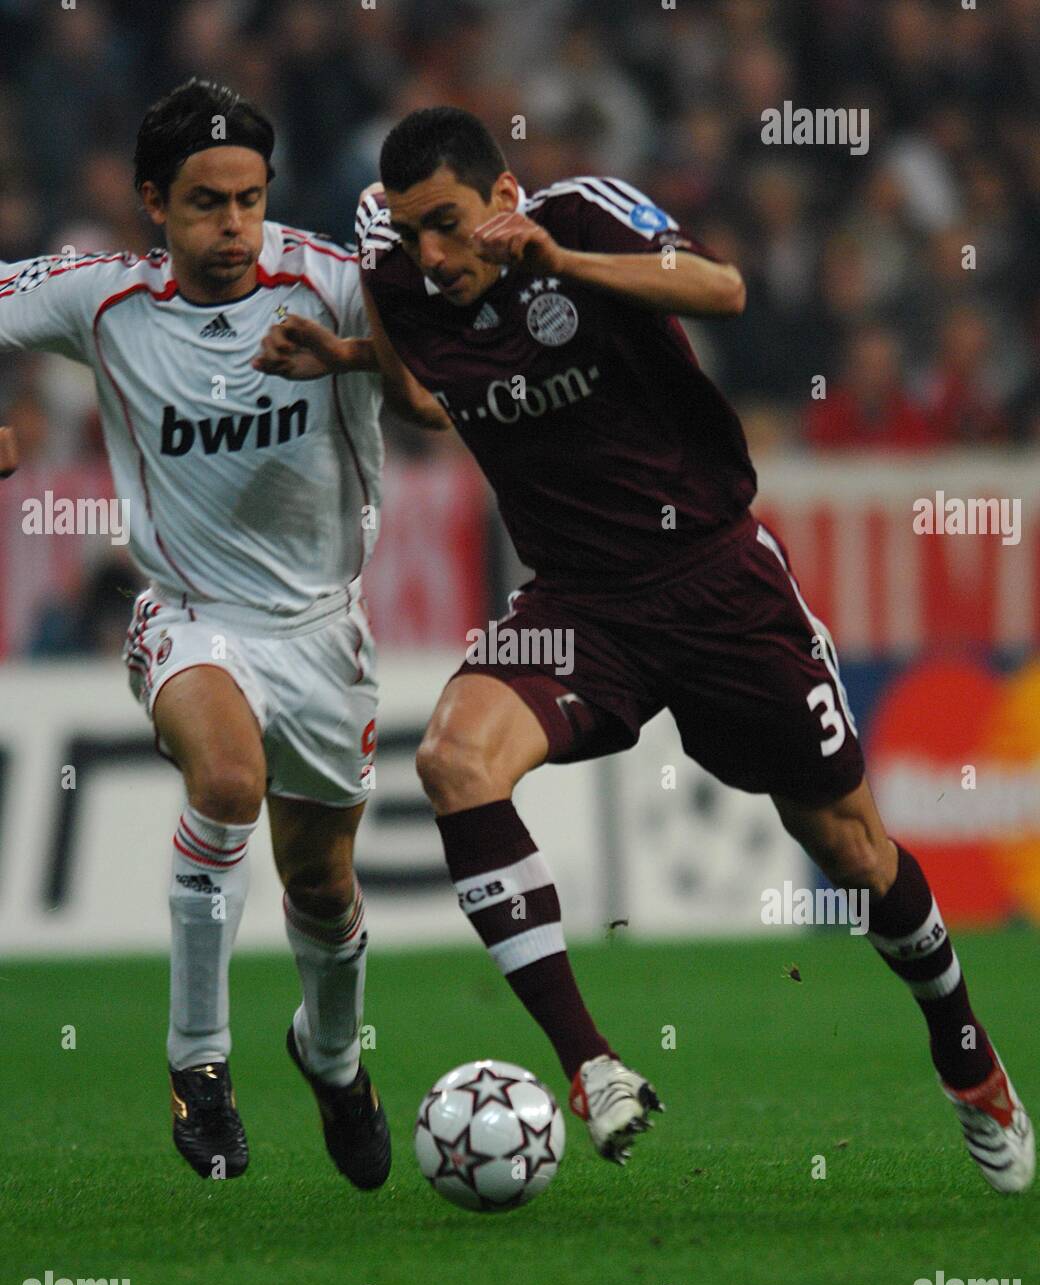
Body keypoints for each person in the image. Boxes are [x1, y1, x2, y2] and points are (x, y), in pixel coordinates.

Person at [254, 106, 1033, 1193]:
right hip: (580, 601)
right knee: (452, 761)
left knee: (853, 849)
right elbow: (431, 398)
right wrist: (345, 354)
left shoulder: (578, 214)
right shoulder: (397, 274)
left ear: (503, 198)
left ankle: (964, 1052)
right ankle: (590, 1066)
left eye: (447, 226)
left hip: (718, 581)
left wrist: (559, 261)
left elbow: (723, 289)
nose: (430, 255)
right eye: (408, 230)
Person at [0, 80, 445, 1187]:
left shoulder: (335, 281)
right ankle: (198, 1065)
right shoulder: (101, 299)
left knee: (323, 889)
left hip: (321, 631)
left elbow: (432, 400)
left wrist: (353, 350)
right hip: (189, 614)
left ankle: (332, 1058)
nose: (231, 226)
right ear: (153, 201)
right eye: (204, 202)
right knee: (228, 776)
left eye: (248, 198)